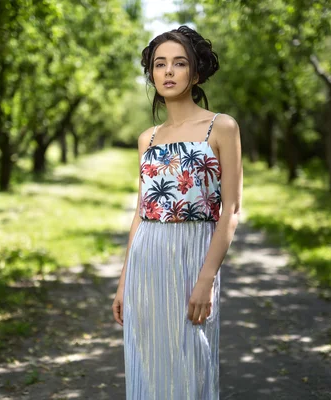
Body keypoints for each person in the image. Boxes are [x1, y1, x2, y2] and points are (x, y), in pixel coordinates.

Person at [111, 25, 243, 400]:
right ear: (151, 74)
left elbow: (230, 210)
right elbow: (141, 211)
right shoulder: (147, 138)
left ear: (196, 72)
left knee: (191, 362)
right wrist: (123, 282)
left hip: (193, 259)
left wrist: (206, 279)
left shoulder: (222, 127)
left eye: (179, 63)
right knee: (147, 363)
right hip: (146, 260)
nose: (168, 72)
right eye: (160, 64)